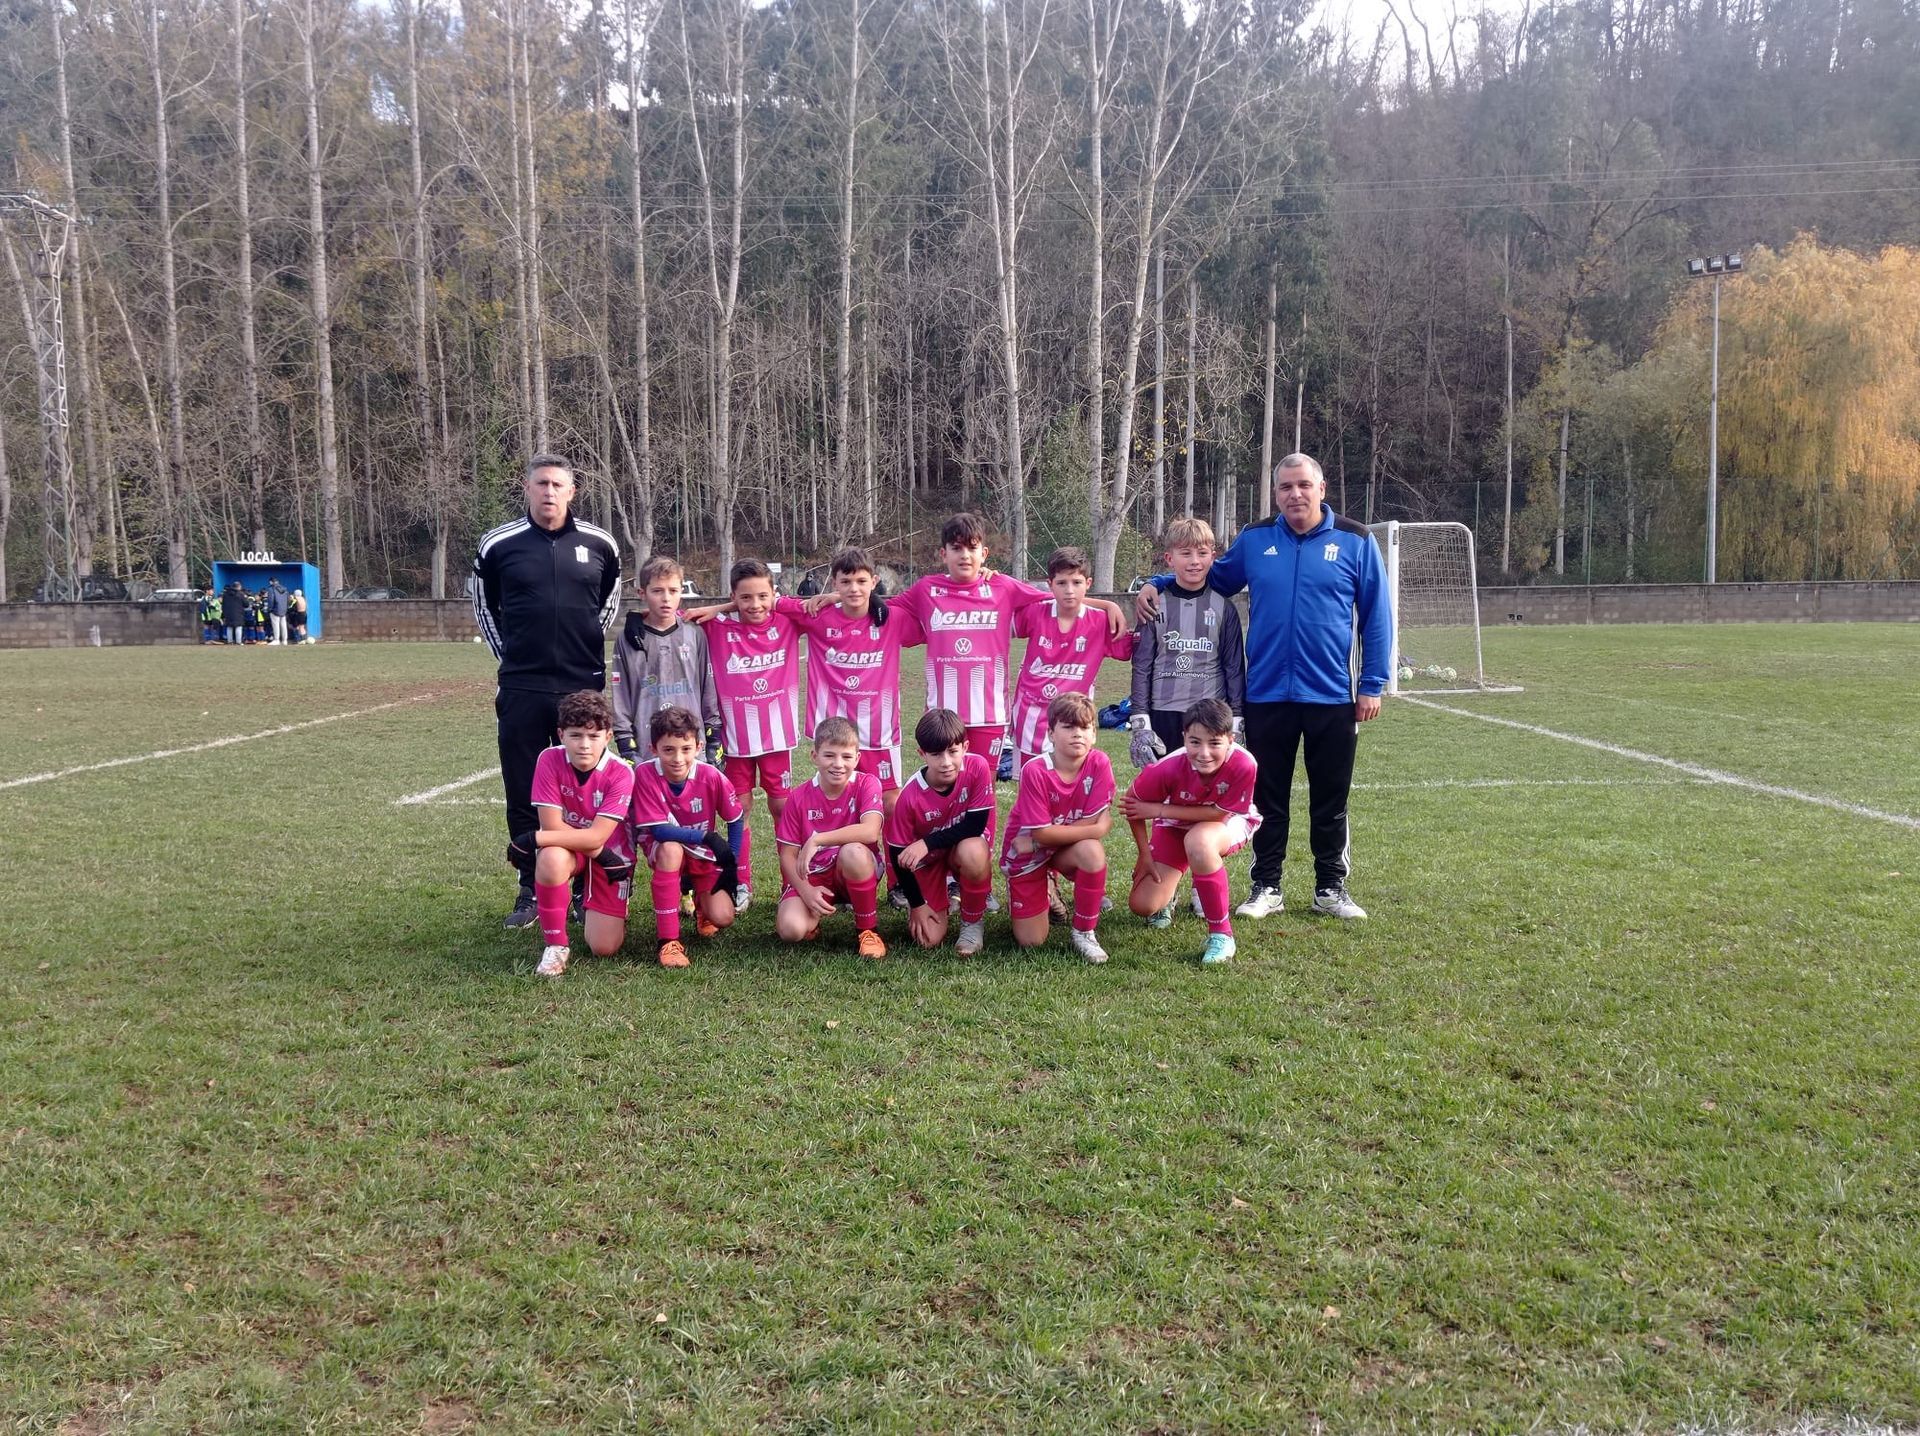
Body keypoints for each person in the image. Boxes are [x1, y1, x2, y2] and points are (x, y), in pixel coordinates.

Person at [1135, 454, 1389, 921]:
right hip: (1267, 694)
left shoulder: (1355, 540)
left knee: (1330, 797)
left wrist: (1371, 683)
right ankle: (1266, 885)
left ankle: (1330, 887)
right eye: (1286, 487)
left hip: (1332, 695)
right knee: (1266, 796)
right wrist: (1155, 582)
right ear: (1276, 494)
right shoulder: (1256, 540)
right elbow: (1204, 575)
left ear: (1322, 488)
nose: (1296, 494)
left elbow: (1377, 616)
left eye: (1304, 485)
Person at [472, 454, 623, 929]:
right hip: (523, 684)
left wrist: (581, 656)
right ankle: (530, 887)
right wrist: (513, 657)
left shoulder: (600, 543)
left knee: (585, 786)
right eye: (542, 483)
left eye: (559, 484)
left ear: (572, 491)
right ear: (527, 487)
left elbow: (607, 604)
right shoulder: (499, 544)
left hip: (581, 685)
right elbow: (484, 607)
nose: (550, 492)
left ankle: (583, 887)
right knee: (523, 783)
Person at [889, 513, 1125, 769]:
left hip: (990, 714)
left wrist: (1106, 604)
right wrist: (838, 598)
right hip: (942, 713)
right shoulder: (926, 589)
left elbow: (1058, 595)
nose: (965, 555)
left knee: (984, 789)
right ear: (943, 554)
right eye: (956, 548)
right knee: (944, 783)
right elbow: (878, 608)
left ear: (984, 553)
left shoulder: (1002, 586)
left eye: (972, 547)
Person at [687, 559, 803, 912]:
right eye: (745, 598)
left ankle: (790, 884)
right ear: (733, 598)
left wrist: (778, 602)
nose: (755, 605)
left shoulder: (787, 621)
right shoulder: (718, 626)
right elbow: (675, 612)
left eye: (763, 596)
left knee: (783, 807)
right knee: (739, 810)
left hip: (775, 737)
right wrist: (724, 607)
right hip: (734, 739)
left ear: (774, 594)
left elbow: (824, 603)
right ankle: (739, 883)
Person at [780, 547, 923, 821]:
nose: (853, 588)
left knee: (891, 802)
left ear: (874, 581)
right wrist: (721, 607)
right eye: (845, 582)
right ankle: (839, 860)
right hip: (834, 732)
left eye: (861, 581)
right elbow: (768, 602)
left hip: (879, 731)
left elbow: (932, 617)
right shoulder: (817, 615)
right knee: (839, 800)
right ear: (834, 582)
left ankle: (891, 864)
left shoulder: (892, 619)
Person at [506, 690, 636, 979]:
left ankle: (604, 904)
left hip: (613, 860)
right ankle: (556, 945)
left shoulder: (621, 772)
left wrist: (534, 839)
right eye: (576, 735)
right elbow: (553, 825)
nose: (584, 745)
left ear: (609, 736)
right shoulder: (549, 759)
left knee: (604, 947)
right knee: (551, 859)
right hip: (582, 851)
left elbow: (594, 837)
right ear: (561, 734)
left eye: (593, 736)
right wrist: (560, 839)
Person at [1123, 698, 1261, 965]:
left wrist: (1160, 811)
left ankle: (1221, 935)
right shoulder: (1166, 767)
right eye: (1195, 742)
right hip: (1175, 826)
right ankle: (1169, 895)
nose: (1204, 753)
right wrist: (1145, 856)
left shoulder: (1245, 763)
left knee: (1199, 842)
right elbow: (1133, 806)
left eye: (1215, 743)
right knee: (1143, 905)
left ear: (1231, 740)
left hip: (1225, 822)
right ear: (1184, 737)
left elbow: (1219, 813)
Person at [1002, 693, 1117, 964]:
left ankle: (1084, 932)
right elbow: (1085, 826)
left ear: (1094, 734)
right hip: (1025, 855)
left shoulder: (1099, 762)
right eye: (1068, 727)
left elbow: (1097, 819)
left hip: (1055, 847)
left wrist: (1043, 839)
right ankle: (1044, 884)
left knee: (1091, 852)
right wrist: (1094, 830)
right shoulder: (1035, 770)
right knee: (1031, 941)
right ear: (1051, 733)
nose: (1078, 734)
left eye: (1085, 727)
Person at [629, 705, 743, 969]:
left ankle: (703, 906)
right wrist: (708, 837)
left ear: (699, 746)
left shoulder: (711, 776)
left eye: (686, 749)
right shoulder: (645, 774)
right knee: (671, 849)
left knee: (723, 917)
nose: (678, 758)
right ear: (653, 748)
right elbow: (659, 830)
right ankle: (668, 941)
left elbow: (736, 819)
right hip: (669, 848)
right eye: (668, 750)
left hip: (702, 854)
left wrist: (731, 862)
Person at [1129, 518, 1245, 764]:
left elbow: (1234, 669)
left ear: (1212, 557)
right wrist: (1140, 721)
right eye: (1185, 553)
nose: (1194, 561)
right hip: (1164, 713)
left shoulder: (1224, 608)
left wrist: (1236, 720)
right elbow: (1141, 668)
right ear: (1169, 558)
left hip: (1211, 715)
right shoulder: (1153, 605)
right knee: (1164, 791)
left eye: (1202, 553)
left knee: (1208, 791)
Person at [1008, 546, 1136, 769]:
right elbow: (998, 617)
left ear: (1088, 584)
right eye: (1061, 583)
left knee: (1068, 788)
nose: (1069, 590)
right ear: (1050, 585)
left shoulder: (1102, 623)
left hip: (1075, 721)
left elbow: (1133, 650)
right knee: (1029, 787)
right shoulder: (1036, 612)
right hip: (1029, 718)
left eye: (1076, 583)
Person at [773, 717, 887, 959]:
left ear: (857, 758)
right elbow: (787, 855)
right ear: (814, 756)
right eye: (829, 755)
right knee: (790, 931)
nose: (838, 764)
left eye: (846, 756)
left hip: (855, 867)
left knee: (853, 850)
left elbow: (869, 831)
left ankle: (868, 931)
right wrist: (805, 890)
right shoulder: (798, 797)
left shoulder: (867, 783)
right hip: (815, 876)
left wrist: (817, 839)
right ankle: (812, 914)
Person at [886, 707, 996, 955]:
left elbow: (975, 826)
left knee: (975, 849)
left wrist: (926, 842)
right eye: (936, 754)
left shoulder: (977, 768)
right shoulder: (910, 796)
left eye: (953, 752)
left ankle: (972, 922)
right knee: (928, 940)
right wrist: (916, 904)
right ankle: (940, 896)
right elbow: (897, 854)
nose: (946, 762)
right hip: (930, 863)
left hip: (958, 850)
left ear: (965, 747)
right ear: (922, 754)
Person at [611, 555, 720, 767]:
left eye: (673, 590)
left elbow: (708, 687)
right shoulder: (627, 638)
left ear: (682, 591)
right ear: (642, 593)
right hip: (647, 749)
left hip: (691, 748)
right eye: (657, 591)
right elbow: (620, 694)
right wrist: (625, 741)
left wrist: (713, 735)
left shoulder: (694, 633)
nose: (666, 598)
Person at [220, 580, 247, 646]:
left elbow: (223, 604)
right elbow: (246, 604)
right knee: (238, 627)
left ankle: (230, 642)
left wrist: (224, 613)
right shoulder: (240, 594)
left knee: (229, 627)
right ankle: (238, 642)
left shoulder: (225, 594)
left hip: (228, 613)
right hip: (238, 613)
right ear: (239, 587)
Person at [265, 579, 290, 646]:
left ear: (271, 582)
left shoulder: (271, 589)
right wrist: (286, 608)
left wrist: (270, 609)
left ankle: (276, 640)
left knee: (275, 625)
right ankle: (285, 640)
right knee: (283, 625)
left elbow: (271, 600)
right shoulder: (285, 589)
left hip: (275, 609)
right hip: (283, 609)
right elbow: (288, 599)